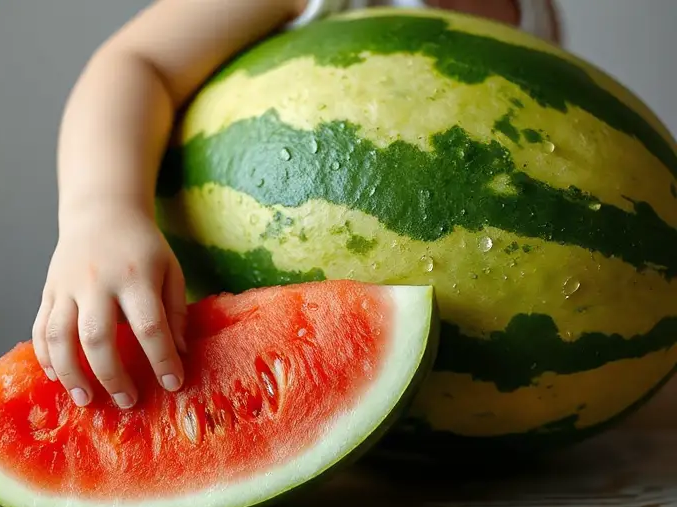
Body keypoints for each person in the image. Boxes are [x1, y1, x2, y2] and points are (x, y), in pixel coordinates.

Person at [33, 0, 561, 410]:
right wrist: (102, 212)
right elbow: (137, 63)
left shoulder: (532, 13)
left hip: (449, 393)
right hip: (248, 326)